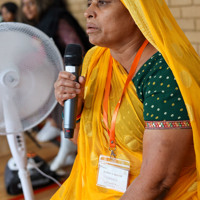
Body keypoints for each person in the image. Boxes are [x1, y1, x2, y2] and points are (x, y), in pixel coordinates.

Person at [52, 0, 200, 199]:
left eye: (102, 3)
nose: (88, 12)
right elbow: (82, 142)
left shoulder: (163, 74)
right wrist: (75, 107)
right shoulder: (94, 61)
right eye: (89, 3)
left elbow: (158, 181)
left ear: (136, 11)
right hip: (97, 188)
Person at [18, 0, 91, 171]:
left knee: (67, 107)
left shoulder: (57, 17)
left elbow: (76, 47)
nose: (27, 8)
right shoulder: (39, 23)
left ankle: (68, 146)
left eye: (31, 4)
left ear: (40, 4)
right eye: (24, 5)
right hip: (54, 74)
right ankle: (60, 134)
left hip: (72, 73)